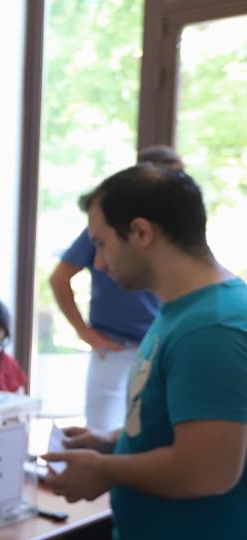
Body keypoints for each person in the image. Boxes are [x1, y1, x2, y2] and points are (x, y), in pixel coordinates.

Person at [44, 164, 247, 540]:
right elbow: (177, 426)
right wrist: (112, 441)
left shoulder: (213, 327)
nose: (97, 260)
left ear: (141, 232)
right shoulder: (180, 312)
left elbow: (208, 470)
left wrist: (104, 469)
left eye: (101, 242)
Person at [48, 146, 182, 431]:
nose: (100, 263)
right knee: (102, 426)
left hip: (156, 341)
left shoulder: (178, 241)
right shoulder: (105, 228)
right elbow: (59, 278)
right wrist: (83, 331)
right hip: (113, 343)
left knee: (151, 424)